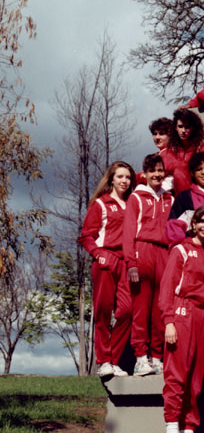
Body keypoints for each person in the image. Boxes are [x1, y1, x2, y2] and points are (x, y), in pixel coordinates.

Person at [159, 205, 204, 433]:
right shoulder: (181, 250)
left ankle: (189, 432)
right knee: (177, 373)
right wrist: (169, 322)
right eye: (203, 221)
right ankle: (171, 431)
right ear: (194, 224)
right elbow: (167, 288)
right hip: (182, 311)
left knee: (197, 378)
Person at [78, 161, 136, 378]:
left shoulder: (133, 203)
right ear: (111, 179)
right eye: (120, 176)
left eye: (128, 177)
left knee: (127, 311)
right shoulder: (102, 204)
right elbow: (86, 236)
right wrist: (99, 255)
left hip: (127, 263)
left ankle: (113, 358)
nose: (124, 181)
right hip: (106, 260)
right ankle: (103, 361)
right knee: (102, 312)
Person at [123, 154, 173, 376]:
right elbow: (128, 232)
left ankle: (157, 357)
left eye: (160, 171)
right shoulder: (137, 198)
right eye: (152, 171)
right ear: (144, 174)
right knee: (141, 309)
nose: (157, 175)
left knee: (160, 309)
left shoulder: (169, 199)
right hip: (142, 251)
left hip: (163, 253)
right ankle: (140, 358)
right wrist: (131, 263)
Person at [166, 152, 204, 246]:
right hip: (194, 251)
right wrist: (186, 248)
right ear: (192, 173)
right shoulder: (185, 197)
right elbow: (174, 227)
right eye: (199, 169)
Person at [162, 108, 204, 195]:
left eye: (187, 127)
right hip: (178, 196)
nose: (183, 131)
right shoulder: (169, 150)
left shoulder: (203, 146)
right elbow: (160, 170)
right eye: (180, 126)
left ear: (193, 128)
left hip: (199, 192)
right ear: (175, 128)